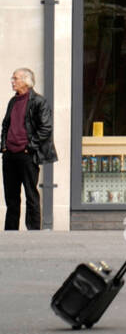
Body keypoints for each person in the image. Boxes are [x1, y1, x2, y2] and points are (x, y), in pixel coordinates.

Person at [1, 68, 58, 231]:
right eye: (12, 78)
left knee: (31, 195)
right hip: (9, 155)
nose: (12, 81)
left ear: (26, 81)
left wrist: (29, 147)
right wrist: (3, 146)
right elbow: (5, 125)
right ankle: (10, 232)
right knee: (11, 198)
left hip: (27, 155)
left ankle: (33, 232)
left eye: (15, 78)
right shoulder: (13, 101)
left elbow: (46, 128)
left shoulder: (38, 101)